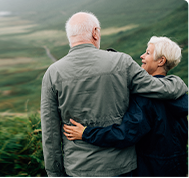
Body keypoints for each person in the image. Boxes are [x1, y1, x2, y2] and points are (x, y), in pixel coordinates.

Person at [41, 12, 188, 177]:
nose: (142, 56)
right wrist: (178, 82)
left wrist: (55, 173)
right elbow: (159, 88)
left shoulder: (52, 73)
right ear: (95, 32)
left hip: (77, 168)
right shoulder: (122, 62)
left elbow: (50, 133)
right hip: (123, 168)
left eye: (148, 53)